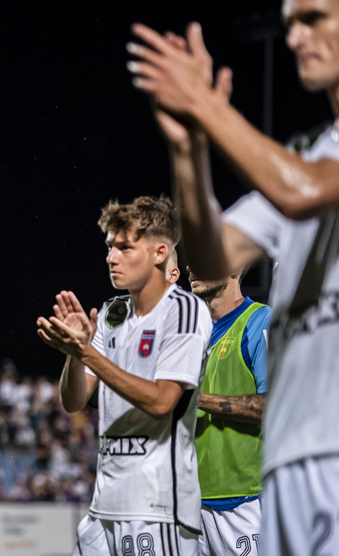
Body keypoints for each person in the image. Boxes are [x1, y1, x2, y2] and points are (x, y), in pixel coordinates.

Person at [128, 5, 339, 551]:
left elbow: (301, 192)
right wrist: (189, 152)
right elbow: (213, 254)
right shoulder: (307, 155)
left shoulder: (304, 173)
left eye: (314, 17)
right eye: (289, 23)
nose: (295, 37)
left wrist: (205, 106)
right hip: (292, 459)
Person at [37, 197, 211, 554]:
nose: (110, 257)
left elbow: (162, 402)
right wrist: (75, 354)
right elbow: (74, 401)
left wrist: (88, 353)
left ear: (159, 253)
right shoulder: (112, 313)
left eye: (124, 248)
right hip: (105, 504)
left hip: (157, 509)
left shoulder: (185, 311)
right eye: (109, 247)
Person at [188, 265, 270, 556]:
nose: (190, 266)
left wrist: (195, 398)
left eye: (203, 257)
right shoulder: (191, 335)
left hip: (245, 503)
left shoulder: (260, 320)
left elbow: (271, 406)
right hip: (190, 505)